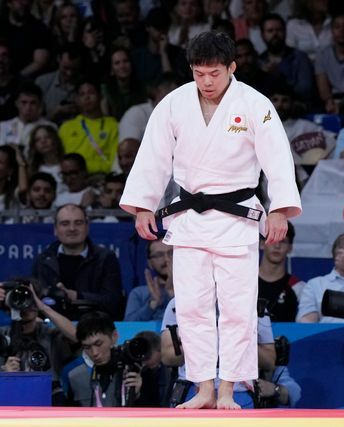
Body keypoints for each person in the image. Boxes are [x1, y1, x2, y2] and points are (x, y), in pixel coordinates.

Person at [119, 31, 301, 409]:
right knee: (191, 307)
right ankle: (202, 387)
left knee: (238, 308)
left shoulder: (255, 103)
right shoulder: (173, 103)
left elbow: (278, 158)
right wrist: (142, 205)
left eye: (214, 73)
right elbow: (153, 156)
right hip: (188, 218)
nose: (206, 82)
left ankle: (228, 389)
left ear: (232, 67)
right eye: (199, 73)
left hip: (237, 220)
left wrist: (280, 207)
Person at [0, 278, 77, 404]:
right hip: (7, 398)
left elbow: (76, 336)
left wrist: (42, 307)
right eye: (17, 298)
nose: (25, 305)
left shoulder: (50, 334)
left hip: (47, 398)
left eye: (29, 298)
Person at [160, 297, 277, 409]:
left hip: (239, 390)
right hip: (192, 387)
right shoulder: (180, 301)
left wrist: (237, 337)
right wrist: (203, 338)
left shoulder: (250, 303)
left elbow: (269, 361)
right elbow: (167, 357)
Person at [32, 203, 124, 320]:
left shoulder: (106, 258)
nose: (72, 228)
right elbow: (36, 301)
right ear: (55, 229)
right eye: (65, 223)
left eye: (78, 223)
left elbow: (113, 303)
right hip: (52, 329)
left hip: (93, 328)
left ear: (87, 227)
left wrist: (76, 296)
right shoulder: (43, 260)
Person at [64, 311, 153, 406]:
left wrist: (138, 395)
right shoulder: (75, 377)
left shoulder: (138, 372)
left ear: (114, 337)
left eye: (98, 344)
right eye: (87, 347)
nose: (94, 353)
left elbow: (157, 414)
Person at [58, 79, 120, 176]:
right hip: (72, 179)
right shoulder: (66, 127)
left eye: (91, 93)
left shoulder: (113, 125)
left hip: (103, 177)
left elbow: (115, 160)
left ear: (100, 96)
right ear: (77, 100)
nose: (87, 97)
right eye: (82, 94)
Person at [258, 13, 315, 107]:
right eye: (270, 31)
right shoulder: (259, 61)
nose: (275, 34)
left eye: (279, 30)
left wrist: (280, 76)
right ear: (263, 35)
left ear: (285, 32)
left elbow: (305, 91)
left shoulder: (300, 58)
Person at [258, 221, 304, 322]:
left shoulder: (299, 287)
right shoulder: (245, 282)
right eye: (272, 240)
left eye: (283, 241)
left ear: (290, 248)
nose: (277, 246)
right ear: (262, 244)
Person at [124, 237, 174, 321]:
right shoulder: (139, 293)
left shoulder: (191, 290)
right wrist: (152, 304)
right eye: (159, 255)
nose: (166, 259)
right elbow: (127, 327)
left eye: (171, 253)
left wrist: (173, 296)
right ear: (150, 263)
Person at [0, 82, 55, 150]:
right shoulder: (3, 126)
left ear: (40, 104)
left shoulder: (50, 127)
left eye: (33, 103)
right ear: (16, 103)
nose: (28, 107)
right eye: (24, 102)